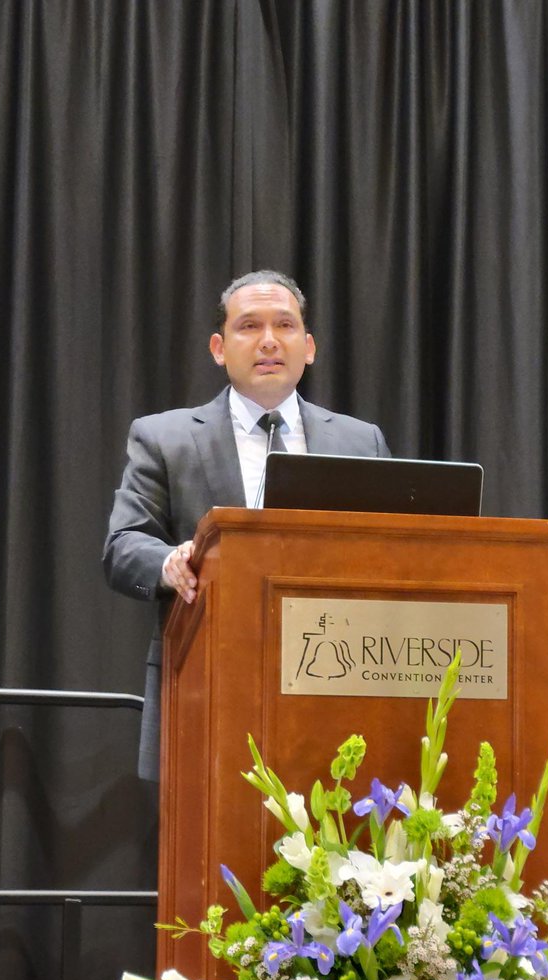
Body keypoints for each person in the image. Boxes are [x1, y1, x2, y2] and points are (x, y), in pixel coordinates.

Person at [103, 270, 391, 779]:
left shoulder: (360, 441)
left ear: (310, 346)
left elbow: (395, 555)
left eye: (285, 326)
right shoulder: (164, 437)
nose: (268, 341)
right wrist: (169, 562)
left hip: (338, 684)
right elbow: (123, 546)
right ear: (219, 348)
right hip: (207, 684)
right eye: (249, 326)